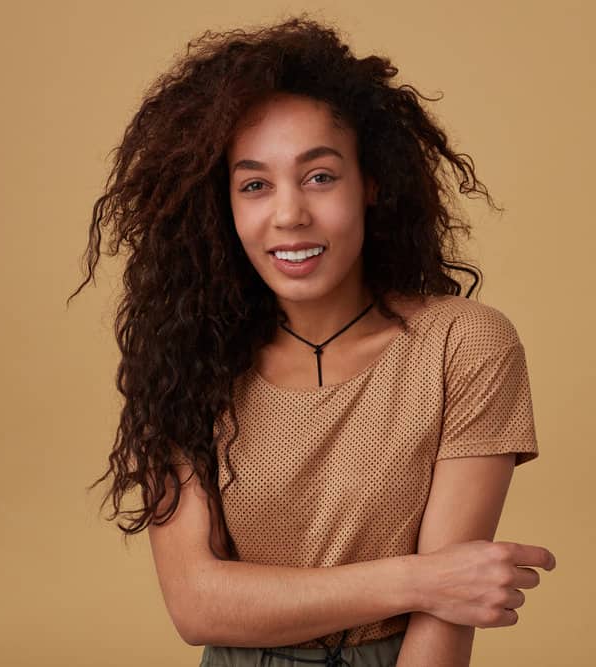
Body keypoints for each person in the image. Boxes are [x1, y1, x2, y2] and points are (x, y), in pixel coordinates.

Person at [67, 13, 557, 667]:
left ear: (371, 183)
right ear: (225, 206)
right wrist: (422, 578)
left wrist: (440, 589)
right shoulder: (187, 359)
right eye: (254, 185)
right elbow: (196, 604)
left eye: (320, 176)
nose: (289, 213)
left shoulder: (464, 345)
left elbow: (444, 626)